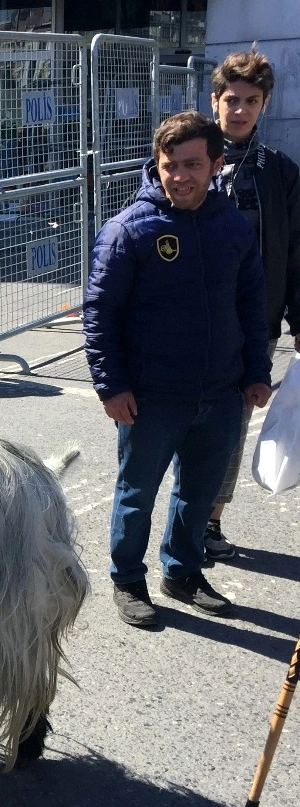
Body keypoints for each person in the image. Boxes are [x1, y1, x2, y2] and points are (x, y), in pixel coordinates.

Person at [83, 111, 272, 629]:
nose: (180, 176)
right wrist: (112, 386)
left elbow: (252, 304)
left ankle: (183, 571)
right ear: (157, 164)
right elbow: (100, 314)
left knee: (199, 491)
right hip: (150, 397)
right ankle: (127, 578)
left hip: (220, 392)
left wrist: (257, 371)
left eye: (193, 164)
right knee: (136, 493)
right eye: (170, 165)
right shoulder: (128, 230)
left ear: (216, 164)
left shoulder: (232, 226)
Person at [203, 48, 300, 560]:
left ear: (263, 105)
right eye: (231, 100)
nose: (239, 110)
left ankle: (209, 522)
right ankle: (184, 514)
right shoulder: (189, 157)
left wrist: (299, 317)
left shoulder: (279, 172)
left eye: (251, 101)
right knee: (185, 423)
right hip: (192, 323)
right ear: (215, 100)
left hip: (254, 324)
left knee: (233, 429)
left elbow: (298, 249)